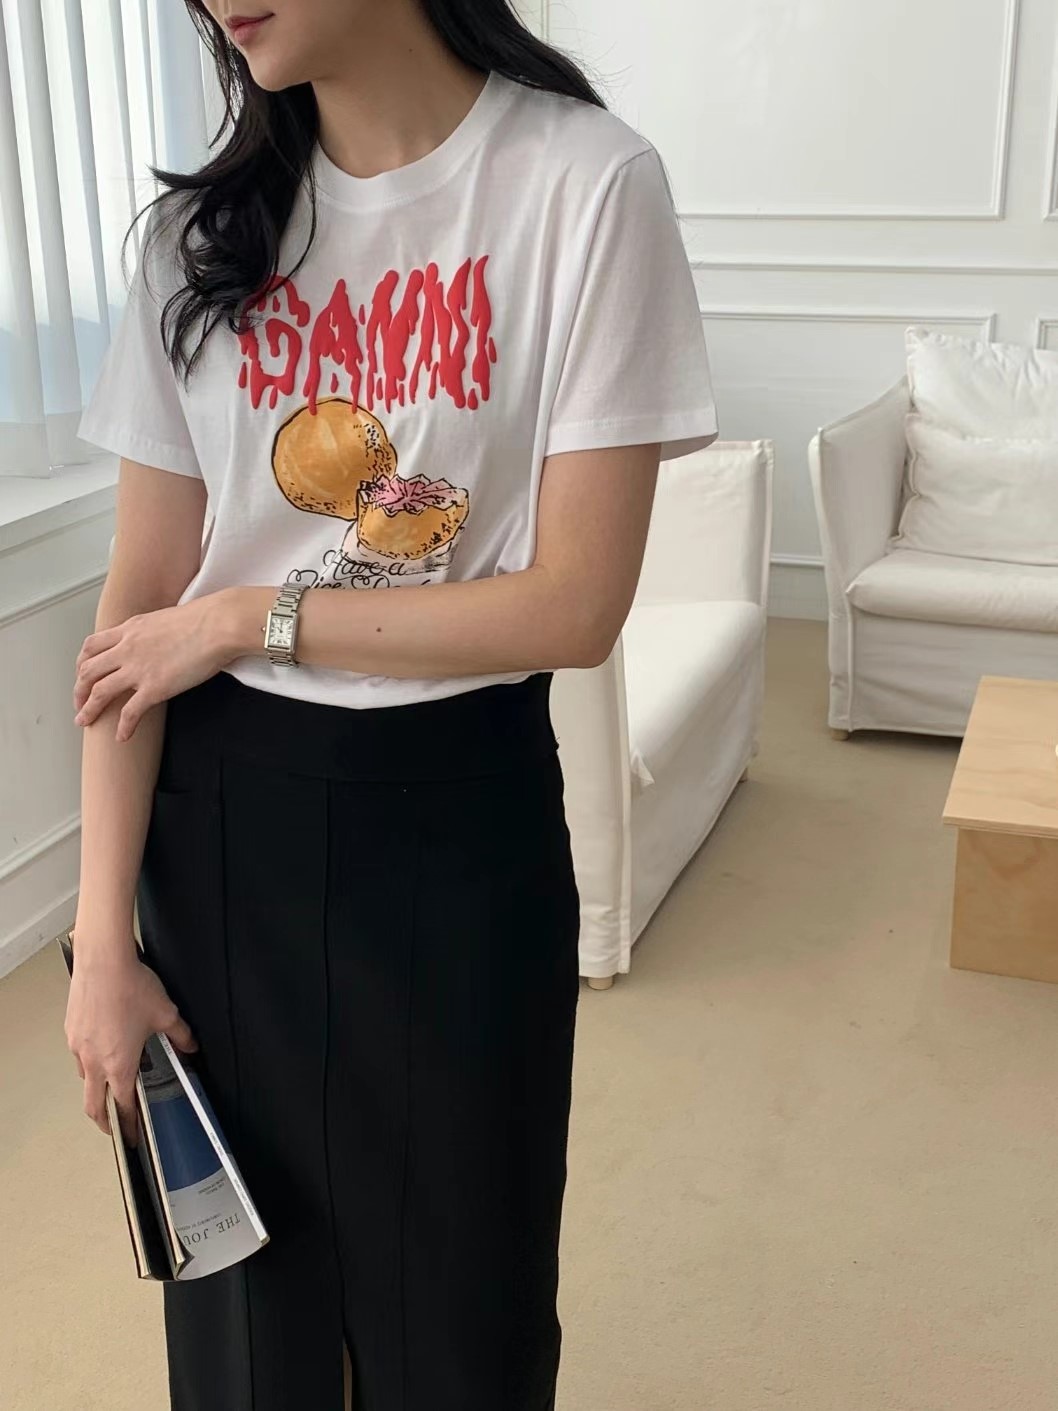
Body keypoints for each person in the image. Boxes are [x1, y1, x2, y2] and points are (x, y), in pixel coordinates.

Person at [63, 1, 719, 1407]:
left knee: (465, 1295)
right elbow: (134, 623)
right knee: (246, 1310)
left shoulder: (583, 184)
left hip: (456, 813)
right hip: (220, 821)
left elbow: (575, 607)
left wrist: (248, 615)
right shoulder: (196, 239)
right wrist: (100, 944)